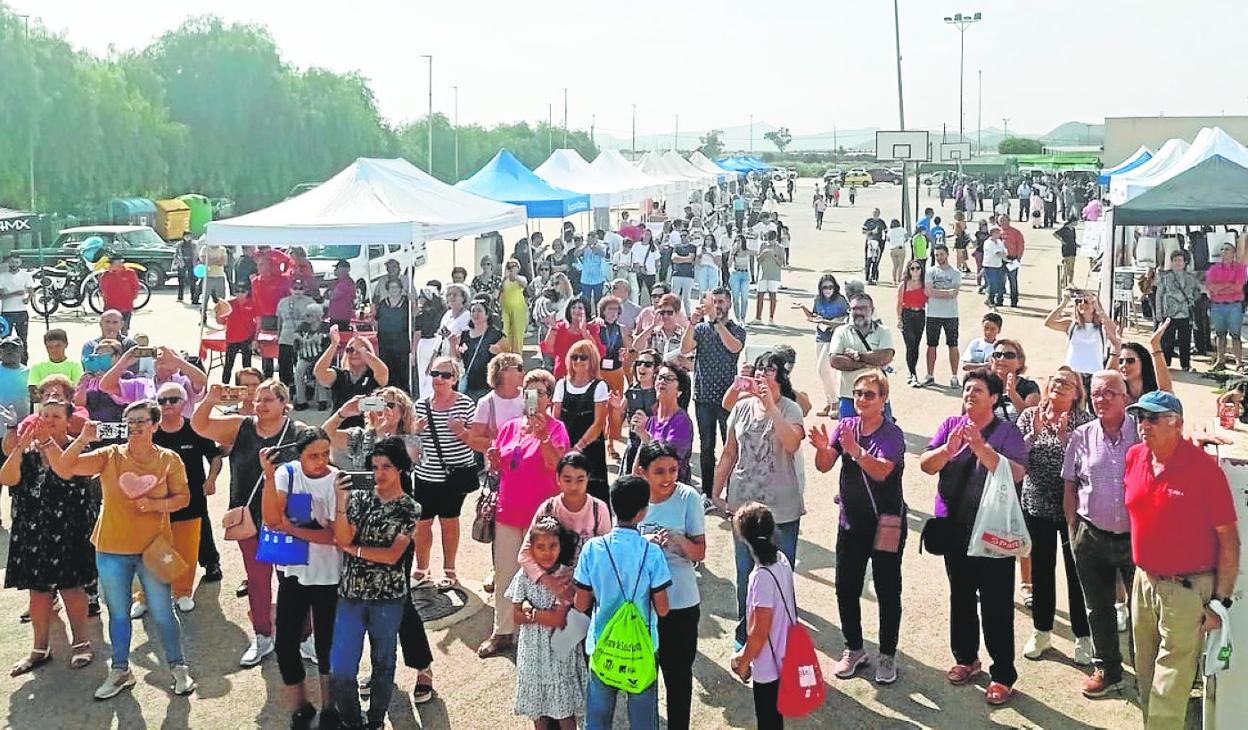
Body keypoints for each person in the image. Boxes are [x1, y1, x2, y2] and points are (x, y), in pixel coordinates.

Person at [46, 402, 196, 699]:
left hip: (154, 548)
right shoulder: (109, 455)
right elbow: (64, 468)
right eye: (129, 421)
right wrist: (83, 438)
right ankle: (120, 670)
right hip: (112, 548)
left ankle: (178, 668)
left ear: (155, 425)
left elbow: (183, 498)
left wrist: (156, 505)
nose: (135, 426)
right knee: (118, 614)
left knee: (164, 612)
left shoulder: (169, 459)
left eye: (142, 421)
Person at [1122, 391, 1240, 728]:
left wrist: (1220, 603)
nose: (1144, 425)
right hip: (1144, 581)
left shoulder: (1204, 471)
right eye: (1140, 418)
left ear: (1177, 424)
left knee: (1169, 683)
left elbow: (1229, 541)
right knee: (1144, 672)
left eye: (1153, 418)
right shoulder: (1134, 457)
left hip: (1187, 589)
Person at [919, 371, 1028, 705]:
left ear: (994, 398)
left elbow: (1018, 472)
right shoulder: (950, 423)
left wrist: (981, 448)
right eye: (967, 389)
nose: (970, 394)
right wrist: (948, 451)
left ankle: (1003, 675)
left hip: (993, 530)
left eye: (978, 390)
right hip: (954, 528)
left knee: (996, 604)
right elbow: (926, 465)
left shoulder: (1007, 432)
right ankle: (966, 658)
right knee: (961, 597)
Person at [192, 378, 308, 667]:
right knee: (257, 582)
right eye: (258, 399)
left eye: (268, 399)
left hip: (286, 519)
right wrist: (209, 400)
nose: (261, 405)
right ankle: (263, 635)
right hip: (250, 520)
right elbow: (200, 425)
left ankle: (305, 637)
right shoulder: (240, 426)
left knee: (291, 581)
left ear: (285, 403)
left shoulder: (299, 432)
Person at [810, 370, 907, 684]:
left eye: (870, 394)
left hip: (886, 524)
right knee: (846, 587)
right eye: (858, 393)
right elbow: (824, 466)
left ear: (884, 400)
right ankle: (854, 649)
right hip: (850, 523)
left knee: (887, 589)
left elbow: (881, 472)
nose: (862, 399)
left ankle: (888, 655)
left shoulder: (892, 434)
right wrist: (824, 448)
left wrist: (855, 450)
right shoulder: (847, 426)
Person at [329, 436, 422, 729]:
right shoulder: (360, 499)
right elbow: (341, 537)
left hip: (388, 597)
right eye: (375, 467)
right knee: (341, 669)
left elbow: (392, 555)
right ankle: (354, 722)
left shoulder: (410, 507)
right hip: (351, 593)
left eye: (386, 467)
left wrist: (354, 550)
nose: (379, 473)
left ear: (400, 470)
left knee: (383, 663)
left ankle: (376, 720)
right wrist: (341, 505)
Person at [713, 351, 805, 645]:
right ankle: (746, 633)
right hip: (744, 506)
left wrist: (771, 407)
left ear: (780, 376)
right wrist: (716, 492)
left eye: (769, 369)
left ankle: (780, 634)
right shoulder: (740, 408)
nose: (762, 374)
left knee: (780, 573)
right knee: (745, 575)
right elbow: (729, 452)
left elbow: (791, 443)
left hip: (781, 509)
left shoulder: (791, 409)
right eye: (759, 369)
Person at [477, 369, 568, 658]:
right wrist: (493, 460)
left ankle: (544, 630)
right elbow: (502, 465)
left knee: (541, 573)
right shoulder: (510, 427)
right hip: (507, 511)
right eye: (530, 392)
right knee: (505, 573)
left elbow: (558, 467)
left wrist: (543, 438)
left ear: (549, 398)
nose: (535, 398)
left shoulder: (556, 428)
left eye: (541, 393)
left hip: (541, 516)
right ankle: (503, 632)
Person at [2, 400, 97, 676]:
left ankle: (81, 643)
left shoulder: (78, 446)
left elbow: (66, 471)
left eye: (55, 416)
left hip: (70, 528)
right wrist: (20, 446)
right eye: (43, 415)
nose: (48, 420)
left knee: (72, 587)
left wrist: (45, 443)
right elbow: (7, 478)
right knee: (38, 592)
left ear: (69, 420)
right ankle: (39, 648)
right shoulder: (27, 451)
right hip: (33, 529)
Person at [573, 475, 672, 730]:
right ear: (643, 512)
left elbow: (581, 603)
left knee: (596, 720)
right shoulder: (652, 553)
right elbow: (663, 608)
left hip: (602, 646)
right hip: (642, 649)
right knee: (642, 721)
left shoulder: (593, 549)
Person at [260, 427, 340, 730]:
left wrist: (293, 529)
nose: (320, 461)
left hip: (329, 574)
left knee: (327, 645)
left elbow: (335, 537)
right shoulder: (288, 474)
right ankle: (301, 705)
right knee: (285, 643)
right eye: (313, 455)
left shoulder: (336, 480)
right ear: (300, 455)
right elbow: (270, 518)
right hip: (294, 572)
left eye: (325, 454)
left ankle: (331, 707)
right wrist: (268, 477)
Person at [125, 383, 223, 618]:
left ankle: (182, 592)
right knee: (149, 550)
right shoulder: (149, 432)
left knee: (186, 549)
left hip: (190, 500)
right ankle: (144, 597)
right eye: (162, 401)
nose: (167, 405)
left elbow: (215, 455)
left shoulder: (195, 428)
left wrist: (211, 479)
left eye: (173, 400)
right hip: (154, 502)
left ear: (183, 403)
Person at [1017, 368, 1093, 666]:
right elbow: (1017, 459)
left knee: (1077, 573)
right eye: (1056, 380)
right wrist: (1034, 433)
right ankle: (1042, 630)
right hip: (1036, 505)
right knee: (1042, 570)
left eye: (1067, 383)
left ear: (1077, 394)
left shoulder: (1085, 422)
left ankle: (1083, 636)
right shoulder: (1029, 415)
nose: (1059, 385)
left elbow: (1088, 469)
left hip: (1073, 508)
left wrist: (1065, 440)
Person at [636, 441, 706, 730]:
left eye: (673, 470)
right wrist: (645, 544)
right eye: (659, 472)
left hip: (681, 602)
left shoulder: (688, 497)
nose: (668, 479)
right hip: (643, 605)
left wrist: (678, 541)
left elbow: (700, 553)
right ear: (643, 472)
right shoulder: (634, 498)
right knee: (643, 680)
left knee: (678, 678)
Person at [507, 517, 586, 729]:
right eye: (540, 547)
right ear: (530, 548)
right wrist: (533, 612)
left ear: (561, 546)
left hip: (558, 654)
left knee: (564, 711)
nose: (547, 552)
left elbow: (558, 619)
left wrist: (529, 610)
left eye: (553, 546)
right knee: (538, 709)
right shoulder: (524, 575)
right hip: (532, 653)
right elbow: (515, 616)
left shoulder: (565, 577)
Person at [409, 356, 476, 590]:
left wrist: (462, 432)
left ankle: (450, 570)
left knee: (450, 522)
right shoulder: (419, 406)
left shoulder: (466, 404)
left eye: (445, 375)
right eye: (435, 374)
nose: (439, 379)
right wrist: (415, 432)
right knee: (422, 524)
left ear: (455, 379)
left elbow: (476, 440)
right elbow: (412, 449)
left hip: (454, 477)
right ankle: (422, 568)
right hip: (426, 476)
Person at [730, 501, 795, 730]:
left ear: (744, 539)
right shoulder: (781, 561)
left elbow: (760, 629)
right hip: (786, 653)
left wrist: (743, 660)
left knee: (768, 720)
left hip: (768, 664)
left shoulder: (761, 577)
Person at [680, 287, 745, 499]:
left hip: (728, 399)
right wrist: (692, 322)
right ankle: (708, 494)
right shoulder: (701, 329)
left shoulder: (737, 329)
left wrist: (717, 324)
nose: (717, 305)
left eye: (721, 301)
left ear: (729, 304)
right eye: (714, 301)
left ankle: (731, 492)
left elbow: (734, 348)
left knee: (731, 447)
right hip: (703, 396)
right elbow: (685, 349)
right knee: (707, 447)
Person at [552, 340, 610, 506]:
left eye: (583, 357)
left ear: (591, 360)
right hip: (564, 446)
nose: (578, 361)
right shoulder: (561, 385)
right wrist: (562, 448)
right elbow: (556, 419)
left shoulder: (599, 386)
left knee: (593, 494)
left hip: (590, 448)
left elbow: (598, 423)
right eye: (574, 357)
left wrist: (578, 447)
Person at [829, 294, 896, 418]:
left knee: (883, 435)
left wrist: (856, 355)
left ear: (872, 310)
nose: (858, 312)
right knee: (847, 435)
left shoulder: (883, 331)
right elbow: (835, 361)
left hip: (876, 397)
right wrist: (868, 363)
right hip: (849, 397)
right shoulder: (841, 332)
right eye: (854, 308)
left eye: (863, 308)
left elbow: (885, 357)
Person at [323, 387, 414, 471]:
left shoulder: (411, 441)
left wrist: (383, 434)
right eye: (378, 405)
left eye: (390, 405)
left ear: (403, 411)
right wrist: (341, 414)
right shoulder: (358, 437)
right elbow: (322, 439)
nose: (384, 410)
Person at [314, 330, 389, 429]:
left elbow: (383, 374)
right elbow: (319, 373)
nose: (354, 353)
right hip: (339, 429)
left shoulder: (373, 375)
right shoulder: (340, 375)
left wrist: (364, 352)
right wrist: (333, 345)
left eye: (358, 350)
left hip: (366, 430)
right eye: (350, 350)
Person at [797, 274, 850, 416]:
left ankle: (834, 402)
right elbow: (814, 316)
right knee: (822, 371)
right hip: (820, 336)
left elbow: (848, 319)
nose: (828, 290)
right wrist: (804, 309)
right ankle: (829, 402)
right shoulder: (818, 299)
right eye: (825, 287)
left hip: (834, 337)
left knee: (823, 369)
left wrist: (830, 322)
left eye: (830, 287)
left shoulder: (840, 300)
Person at [1045, 290, 1119, 387]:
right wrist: (1064, 303)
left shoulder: (1102, 326)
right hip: (1072, 374)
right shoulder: (1071, 324)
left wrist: (1097, 307)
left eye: (1086, 302)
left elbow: (1114, 329)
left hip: (1094, 374)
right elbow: (1049, 323)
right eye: (1079, 302)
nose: (1082, 304)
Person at [593, 295, 631, 458]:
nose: (612, 313)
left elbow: (629, 348)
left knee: (615, 410)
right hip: (599, 372)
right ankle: (599, 443)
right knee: (599, 408)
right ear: (603, 310)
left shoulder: (621, 328)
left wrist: (624, 354)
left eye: (615, 309)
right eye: (609, 309)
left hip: (616, 371)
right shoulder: (597, 326)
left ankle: (612, 443)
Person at [1152, 250, 1200, 372]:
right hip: (1169, 313)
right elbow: (1159, 294)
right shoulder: (1166, 277)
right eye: (1175, 260)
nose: (1178, 263)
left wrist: (1192, 300)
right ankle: (1165, 363)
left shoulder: (1190, 278)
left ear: (1184, 263)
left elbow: (1197, 291)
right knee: (1167, 340)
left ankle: (1185, 364)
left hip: (1185, 313)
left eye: (1180, 260)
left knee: (1185, 340)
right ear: (1172, 262)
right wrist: (1158, 312)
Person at [923, 245, 963, 388]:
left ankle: (954, 376)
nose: (939, 257)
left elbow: (955, 292)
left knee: (953, 344)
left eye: (941, 254)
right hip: (933, 313)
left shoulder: (956, 273)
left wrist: (937, 292)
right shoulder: (930, 271)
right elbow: (928, 292)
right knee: (931, 345)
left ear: (947, 254)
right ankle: (930, 374)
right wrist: (947, 292)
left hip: (951, 314)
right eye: (937, 255)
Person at [453, 298, 507, 402]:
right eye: (473, 311)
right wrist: (453, 345)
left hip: (487, 385)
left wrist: (499, 352)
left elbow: (507, 360)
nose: (475, 314)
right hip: (468, 384)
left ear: (487, 315)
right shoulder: (464, 335)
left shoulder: (496, 335)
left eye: (479, 311)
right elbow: (457, 358)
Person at [1205, 242, 1247, 371]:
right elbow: (1210, 287)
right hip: (1217, 306)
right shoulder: (1213, 269)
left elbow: (1238, 286)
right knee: (1220, 334)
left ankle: (1238, 362)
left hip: (1234, 305)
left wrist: (1220, 288)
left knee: (1235, 335)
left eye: (1227, 249)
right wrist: (1228, 285)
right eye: (1222, 249)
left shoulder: (1240, 268)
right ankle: (1220, 361)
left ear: (1234, 253)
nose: (1224, 251)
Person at [988, 338, 1041, 424]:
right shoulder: (984, 383)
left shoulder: (1029, 387)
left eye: (1009, 355)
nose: (1001, 359)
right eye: (997, 355)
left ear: (1020, 362)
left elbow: (1031, 420)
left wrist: (1013, 395)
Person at [373, 278, 411, 394]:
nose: (394, 290)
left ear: (400, 289)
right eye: (391, 288)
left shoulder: (406, 303)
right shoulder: (383, 303)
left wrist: (413, 301)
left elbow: (413, 317)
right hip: (385, 342)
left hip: (401, 341)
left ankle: (403, 393)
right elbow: (376, 320)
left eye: (396, 287)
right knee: (388, 368)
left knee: (402, 369)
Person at [276, 280, 316, 390]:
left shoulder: (310, 302)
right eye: (295, 288)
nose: (298, 290)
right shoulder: (282, 302)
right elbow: (279, 320)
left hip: (303, 340)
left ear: (305, 290)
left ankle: (306, 389)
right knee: (284, 366)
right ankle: (284, 388)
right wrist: (278, 335)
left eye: (301, 288)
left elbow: (315, 321)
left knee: (303, 367)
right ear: (290, 289)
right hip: (285, 338)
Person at [895, 260, 928, 387]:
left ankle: (912, 370)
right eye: (912, 268)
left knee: (916, 344)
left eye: (917, 268)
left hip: (920, 315)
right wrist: (899, 319)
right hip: (907, 314)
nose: (915, 271)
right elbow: (898, 303)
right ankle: (912, 373)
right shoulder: (904, 285)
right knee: (910, 344)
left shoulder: (924, 284)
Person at [292, 303, 331, 411]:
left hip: (320, 357)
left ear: (318, 316)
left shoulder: (325, 326)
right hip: (305, 356)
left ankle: (322, 400)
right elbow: (295, 334)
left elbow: (330, 337)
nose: (306, 317)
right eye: (306, 315)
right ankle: (301, 400)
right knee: (298, 374)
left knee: (320, 374)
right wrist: (302, 339)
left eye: (309, 315)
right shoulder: (303, 325)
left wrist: (322, 336)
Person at [217, 288, 257, 384]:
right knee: (228, 364)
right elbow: (220, 322)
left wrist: (255, 338)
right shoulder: (228, 304)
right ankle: (224, 385)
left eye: (242, 291)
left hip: (247, 337)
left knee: (247, 365)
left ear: (247, 292)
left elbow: (258, 320)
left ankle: (247, 385)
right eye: (237, 291)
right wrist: (218, 312)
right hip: (232, 338)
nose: (240, 294)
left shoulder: (252, 303)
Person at [0, 253, 34, 364]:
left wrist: (28, 299)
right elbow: (1, 296)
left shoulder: (26, 276)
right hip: (6, 312)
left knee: (23, 338)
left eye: (16, 262)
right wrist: (14, 293)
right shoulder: (2, 276)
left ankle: (24, 362)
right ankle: (5, 361)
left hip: (21, 311)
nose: (14, 265)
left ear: (20, 263)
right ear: (8, 263)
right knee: (5, 339)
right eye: (12, 262)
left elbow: (30, 291)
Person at [99, 255, 141, 333]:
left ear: (119, 263)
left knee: (124, 330)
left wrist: (130, 299)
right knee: (110, 331)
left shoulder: (129, 273)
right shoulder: (106, 275)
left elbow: (135, 288)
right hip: (110, 308)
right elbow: (102, 290)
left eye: (112, 263)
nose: (110, 265)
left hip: (125, 307)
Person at [500, 259, 529, 355]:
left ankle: (517, 357)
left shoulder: (521, 278)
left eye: (514, 266)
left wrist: (514, 276)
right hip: (505, 310)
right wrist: (505, 277)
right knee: (504, 333)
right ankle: (505, 356)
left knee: (517, 334)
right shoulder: (504, 280)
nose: (512, 268)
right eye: (510, 267)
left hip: (518, 309)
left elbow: (524, 284)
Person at [754, 232, 784, 324]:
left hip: (774, 275)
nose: (770, 242)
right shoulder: (763, 245)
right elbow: (758, 260)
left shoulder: (780, 248)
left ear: (775, 239)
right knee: (760, 296)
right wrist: (763, 253)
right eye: (768, 240)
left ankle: (771, 318)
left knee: (772, 296)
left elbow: (781, 263)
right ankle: (758, 318)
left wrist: (773, 255)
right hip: (763, 274)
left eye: (772, 240)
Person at [998, 215, 1026, 308]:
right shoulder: (997, 232)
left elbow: (1021, 245)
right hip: (1000, 260)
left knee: (1013, 280)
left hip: (1012, 259)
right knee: (1000, 280)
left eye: (1005, 220)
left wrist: (1018, 258)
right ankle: (999, 299)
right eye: (1001, 221)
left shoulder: (1016, 232)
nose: (1003, 222)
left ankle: (1014, 300)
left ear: (1009, 221)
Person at [980, 226, 1008, 309]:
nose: (998, 234)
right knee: (993, 284)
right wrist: (1003, 254)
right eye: (996, 232)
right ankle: (990, 300)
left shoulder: (999, 241)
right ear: (992, 233)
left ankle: (991, 300)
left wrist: (1004, 254)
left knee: (1000, 284)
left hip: (998, 265)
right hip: (989, 266)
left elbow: (1004, 251)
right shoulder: (988, 243)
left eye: (998, 232)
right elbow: (997, 253)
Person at [324, 260, 356, 332]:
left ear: (343, 270)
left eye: (337, 269)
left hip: (340, 317)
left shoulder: (346, 283)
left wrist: (329, 291)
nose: (335, 271)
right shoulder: (341, 282)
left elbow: (332, 296)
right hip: (338, 316)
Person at [727, 235, 752, 321]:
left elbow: (756, 254)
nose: (738, 243)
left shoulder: (747, 251)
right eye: (736, 241)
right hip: (735, 274)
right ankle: (738, 318)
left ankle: (743, 317)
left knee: (745, 297)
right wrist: (732, 253)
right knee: (735, 297)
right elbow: (729, 265)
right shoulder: (734, 252)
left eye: (739, 240)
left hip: (745, 274)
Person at [1054, 219, 1079, 289]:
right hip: (1066, 250)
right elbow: (1055, 234)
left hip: (1073, 249)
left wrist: (1076, 244)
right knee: (1067, 267)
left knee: (1071, 268)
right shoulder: (1064, 229)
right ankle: (1063, 282)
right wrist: (1061, 240)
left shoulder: (1073, 229)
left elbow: (1074, 239)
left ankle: (1070, 281)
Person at [886, 219, 908, 284]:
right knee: (901, 265)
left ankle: (894, 279)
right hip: (900, 248)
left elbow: (888, 239)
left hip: (892, 249)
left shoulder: (890, 231)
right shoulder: (902, 229)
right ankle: (899, 279)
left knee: (895, 265)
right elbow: (906, 237)